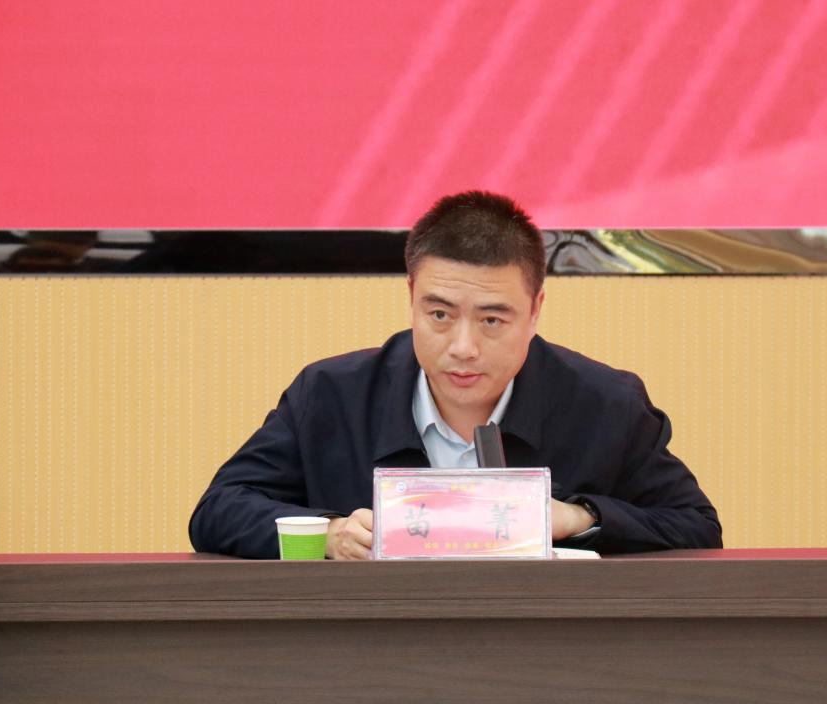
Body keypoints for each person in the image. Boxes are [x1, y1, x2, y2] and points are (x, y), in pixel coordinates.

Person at [189, 191, 722, 559]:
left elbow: (696, 526)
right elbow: (219, 510)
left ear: (535, 310)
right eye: (440, 315)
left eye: (492, 320)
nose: (463, 348)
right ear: (412, 298)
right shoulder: (331, 395)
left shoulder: (606, 404)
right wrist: (329, 535)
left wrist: (578, 517)